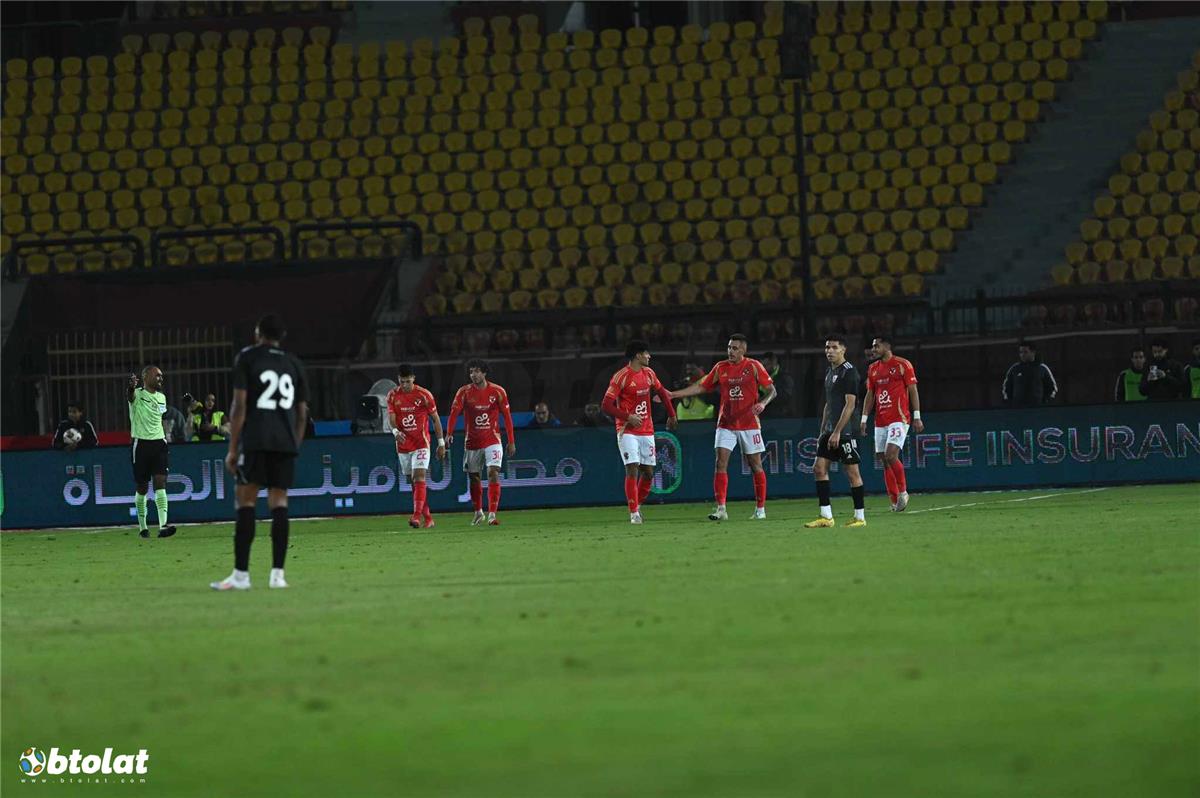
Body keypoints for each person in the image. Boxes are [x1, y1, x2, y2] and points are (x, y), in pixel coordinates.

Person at [211, 314, 309, 591]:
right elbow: (302, 413)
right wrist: (294, 445)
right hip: (285, 442)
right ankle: (278, 575)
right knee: (279, 501)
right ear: (281, 336)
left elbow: (239, 406)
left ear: (258, 333)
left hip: (256, 439)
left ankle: (241, 575)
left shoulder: (248, 357)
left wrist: (232, 448)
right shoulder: (294, 364)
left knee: (245, 500)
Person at [670, 333, 776, 520]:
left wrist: (763, 403)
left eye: (735, 348)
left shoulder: (753, 366)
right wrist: (674, 395)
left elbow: (772, 391)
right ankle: (721, 509)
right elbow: (702, 387)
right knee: (720, 463)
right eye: (729, 347)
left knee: (755, 465)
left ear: (743, 350)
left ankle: (760, 509)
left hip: (749, 424)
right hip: (725, 424)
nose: (730, 351)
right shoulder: (720, 367)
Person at [600, 339, 678, 524]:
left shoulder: (649, 373)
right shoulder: (621, 377)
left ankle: (638, 505)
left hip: (647, 430)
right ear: (638, 355)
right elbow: (606, 405)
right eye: (646, 353)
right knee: (632, 468)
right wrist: (628, 417)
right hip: (627, 430)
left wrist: (672, 415)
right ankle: (633, 513)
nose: (649, 356)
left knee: (648, 473)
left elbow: (662, 394)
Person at [804, 336, 866, 528]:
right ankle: (826, 517)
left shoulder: (850, 372)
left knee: (852, 472)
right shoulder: (830, 371)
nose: (829, 351)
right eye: (827, 347)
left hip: (844, 431)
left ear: (843, 350)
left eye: (834, 347)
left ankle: (860, 518)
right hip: (830, 430)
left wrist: (838, 432)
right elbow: (829, 404)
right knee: (819, 469)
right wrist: (823, 430)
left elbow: (850, 405)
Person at [446, 359, 516, 526]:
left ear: (484, 373)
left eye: (477, 371)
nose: (473, 375)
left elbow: (507, 417)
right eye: (471, 372)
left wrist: (511, 441)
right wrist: (449, 433)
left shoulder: (498, 391)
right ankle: (478, 512)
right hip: (472, 442)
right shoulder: (463, 392)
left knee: (493, 473)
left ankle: (492, 514)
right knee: (474, 477)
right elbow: (454, 413)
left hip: (493, 439)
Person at [859, 335, 923, 512]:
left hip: (899, 418)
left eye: (876, 346)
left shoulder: (902, 364)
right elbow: (870, 395)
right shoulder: (872, 369)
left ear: (887, 346)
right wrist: (864, 419)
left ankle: (903, 492)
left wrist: (917, 416)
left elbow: (913, 390)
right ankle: (894, 501)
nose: (873, 350)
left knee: (890, 455)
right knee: (883, 460)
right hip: (880, 420)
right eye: (873, 346)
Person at [387, 363, 446, 529]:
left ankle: (416, 517)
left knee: (419, 477)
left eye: (407, 381)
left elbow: (435, 419)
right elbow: (391, 418)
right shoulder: (392, 395)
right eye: (401, 381)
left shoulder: (424, 395)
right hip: (403, 444)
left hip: (421, 443)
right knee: (412, 481)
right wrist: (395, 432)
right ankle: (428, 518)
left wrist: (441, 443)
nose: (404, 385)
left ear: (413, 378)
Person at [127, 366, 177, 539]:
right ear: (146, 376)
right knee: (142, 487)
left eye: (162, 376)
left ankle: (163, 526)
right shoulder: (137, 394)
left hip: (159, 444)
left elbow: (159, 419)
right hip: (140, 444)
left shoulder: (162, 398)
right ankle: (143, 528)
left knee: (160, 482)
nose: (161, 379)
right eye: (157, 376)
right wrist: (131, 387)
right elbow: (130, 396)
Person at [1001, 340, 1058, 407]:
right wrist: (1010, 402)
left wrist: (1046, 401)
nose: (1022, 355)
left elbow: (1052, 388)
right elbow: (1006, 387)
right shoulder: (1014, 369)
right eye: (1021, 352)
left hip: (1037, 409)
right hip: (1018, 410)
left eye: (1025, 352)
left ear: (1033, 352)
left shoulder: (1042, 368)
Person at [760, 352, 795, 417]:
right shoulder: (759, 376)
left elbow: (785, 398)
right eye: (761, 365)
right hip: (762, 416)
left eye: (765, 365)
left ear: (773, 364)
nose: (763, 368)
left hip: (780, 417)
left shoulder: (785, 377)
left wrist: (765, 398)